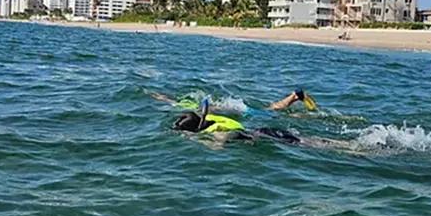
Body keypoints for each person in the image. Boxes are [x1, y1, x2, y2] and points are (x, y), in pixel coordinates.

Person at [171, 100, 350, 150]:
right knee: (310, 140)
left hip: (265, 136)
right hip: (264, 130)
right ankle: (348, 145)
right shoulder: (213, 119)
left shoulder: (215, 130)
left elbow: (222, 142)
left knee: (312, 145)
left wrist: (200, 141)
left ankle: (355, 150)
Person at [150, 87, 317, 115]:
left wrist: (161, 98)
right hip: (235, 106)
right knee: (271, 108)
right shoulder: (190, 105)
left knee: (271, 112)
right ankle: (295, 97)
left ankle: (295, 95)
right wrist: (161, 97)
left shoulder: (191, 107)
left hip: (240, 110)